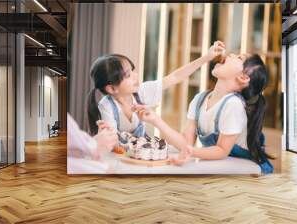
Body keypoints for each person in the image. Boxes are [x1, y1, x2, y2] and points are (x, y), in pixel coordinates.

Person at [135, 54, 273, 174]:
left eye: (239, 57)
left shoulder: (234, 105)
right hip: (227, 166)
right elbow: (185, 142)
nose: (231, 54)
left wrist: (191, 151)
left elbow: (221, 151)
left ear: (243, 78)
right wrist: (156, 121)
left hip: (250, 171)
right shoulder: (200, 99)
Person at [86, 41, 226, 139]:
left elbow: (175, 77)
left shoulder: (141, 92)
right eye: (128, 75)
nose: (136, 76)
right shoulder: (106, 106)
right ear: (111, 88)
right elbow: (112, 143)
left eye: (133, 71)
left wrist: (207, 57)